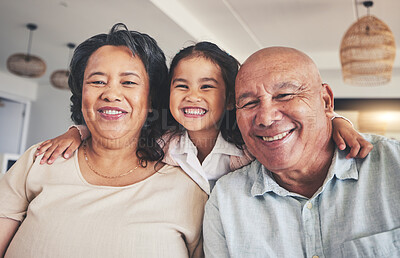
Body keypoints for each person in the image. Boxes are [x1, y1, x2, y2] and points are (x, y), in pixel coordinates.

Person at [35, 42, 371, 195]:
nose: (192, 96)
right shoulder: (163, 142)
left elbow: (300, 131)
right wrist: (77, 132)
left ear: (229, 101)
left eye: (207, 87)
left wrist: (338, 124)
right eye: (181, 86)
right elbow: (120, 128)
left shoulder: (252, 148)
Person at [0, 23, 207, 258]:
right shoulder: (41, 159)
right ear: (81, 95)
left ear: (151, 99)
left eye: (128, 82)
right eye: (97, 81)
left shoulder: (189, 190)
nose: (110, 93)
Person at [203, 46, 400, 257]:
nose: (266, 118)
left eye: (285, 95)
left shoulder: (394, 165)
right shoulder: (225, 201)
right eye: (250, 103)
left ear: (326, 101)